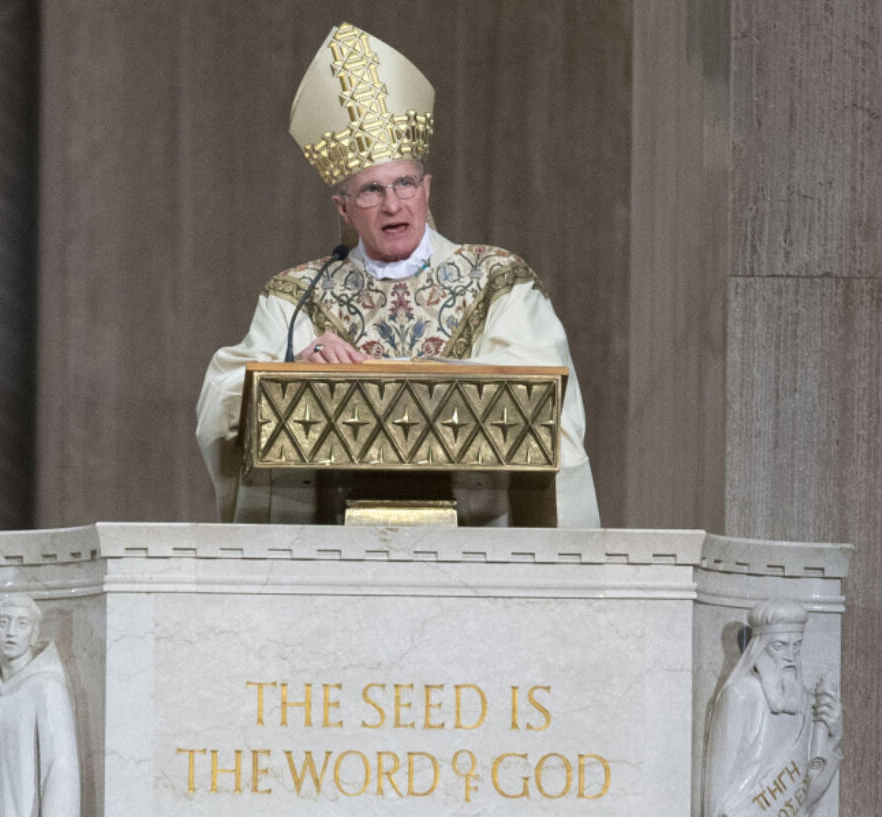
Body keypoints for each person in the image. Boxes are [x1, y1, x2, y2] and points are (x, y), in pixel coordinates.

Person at [196, 21, 600, 527]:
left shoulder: (499, 280)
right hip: (330, 548)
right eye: (370, 190)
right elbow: (222, 397)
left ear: (427, 189)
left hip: (477, 543)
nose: (393, 204)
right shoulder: (298, 293)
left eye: (404, 183)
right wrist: (295, 369)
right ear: (343, 209)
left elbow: (545, 400)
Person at [703, 601, 842, 817]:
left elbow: (808, 795)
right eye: (779, 646)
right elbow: (719, 789)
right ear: (759, 648)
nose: (790, 655)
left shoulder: (804, 702)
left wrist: (833, 739)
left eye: (796, 645)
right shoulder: (740, 696)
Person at [0, 594, 80, 817]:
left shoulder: (47, 689)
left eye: (22, 624)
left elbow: (60, 770)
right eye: (4, 622)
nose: (11, 631)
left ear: (34, 634)